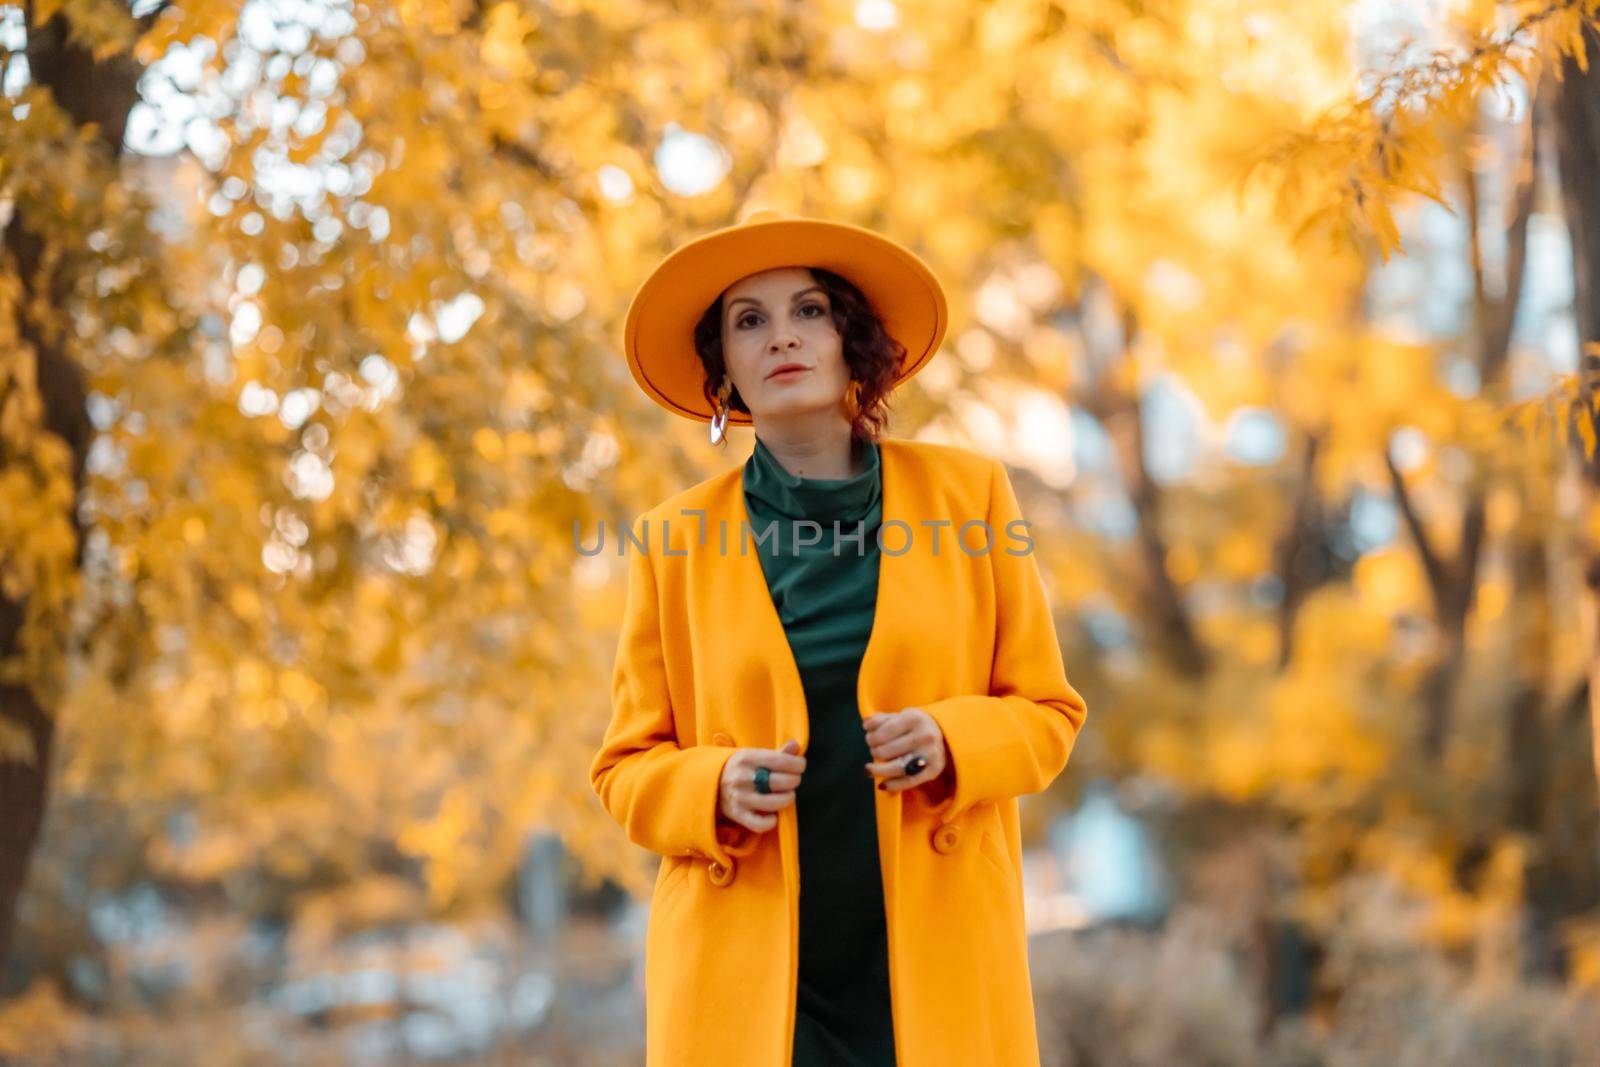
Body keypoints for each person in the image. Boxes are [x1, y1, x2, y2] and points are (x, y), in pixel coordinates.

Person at [590, 209, 1089, 1067]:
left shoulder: (970, 497)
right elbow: (623, 769)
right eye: (749, 321)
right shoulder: (672, 540)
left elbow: (1049, 715)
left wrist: (951, 738)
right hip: (747, 987)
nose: (782, 336)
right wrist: (712, 784)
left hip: (937, 963)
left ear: (850, 339)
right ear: (725, 372)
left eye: (809, 309)